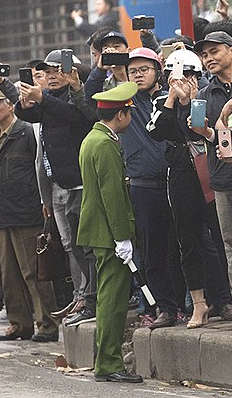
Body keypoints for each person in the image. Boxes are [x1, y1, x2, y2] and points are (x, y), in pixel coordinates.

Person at [86, 46, 181, 329]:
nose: (138, 75)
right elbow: (92, 96)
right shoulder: (127, 102)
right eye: (133, 71)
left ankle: (198, 302)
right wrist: (104, 67)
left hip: (175, 182)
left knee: (184, 247)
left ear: (158, 71)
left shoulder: (170, 97)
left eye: (144, 69)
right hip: (143, 187)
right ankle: (164, 307)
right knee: (152, 253)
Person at [146, 49, 232, 329]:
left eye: (188, 75)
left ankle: (227, 298)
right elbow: (157, 131)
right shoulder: (162, 101)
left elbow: (202, 129)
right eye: (175, 76)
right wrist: (173, 98)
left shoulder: (207, 96)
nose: (182, 81)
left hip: (208, 167)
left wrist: (192, 100)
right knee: (188, 239)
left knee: (220, 236)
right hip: (181, 172)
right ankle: (198, 303)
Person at [15, 50, 97, 327]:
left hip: (82, 182)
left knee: (86, 245)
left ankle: (91, 297)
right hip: (58, 184)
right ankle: (81, 295)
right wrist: (25, 102)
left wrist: (42, 99)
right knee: (69, 245)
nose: (51, 76)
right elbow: (29, 114)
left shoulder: (77, 96)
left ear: (71, 73)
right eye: (46, 72)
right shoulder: (50, 100)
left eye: (56, 71)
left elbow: (76, 116)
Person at [77, 81, 142, 384]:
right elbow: (112, 194)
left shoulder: (94, 138)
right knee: (113, 301)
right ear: (121, 114)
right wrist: (122, 236)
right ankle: (109, 363)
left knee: (108, 298)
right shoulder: (104, 144)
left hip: (99, 231)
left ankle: (106, 361)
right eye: (129, 112)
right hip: (108, 232)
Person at [0, 83, 58, 343]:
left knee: (33, 272)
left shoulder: (26, 132)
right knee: (8, 273)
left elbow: (40, 169)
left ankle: (47, 323)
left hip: (27, 211)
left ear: (10, 104)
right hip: (1, 211)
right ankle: (19, 323)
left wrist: (43, 202)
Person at [194, 31, 232, 327]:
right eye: (204, 55)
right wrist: (205, 132)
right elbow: (205, 136)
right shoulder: (204, 95)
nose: (209, 58)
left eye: (214, 51)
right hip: (222, 176)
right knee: (231, 243)